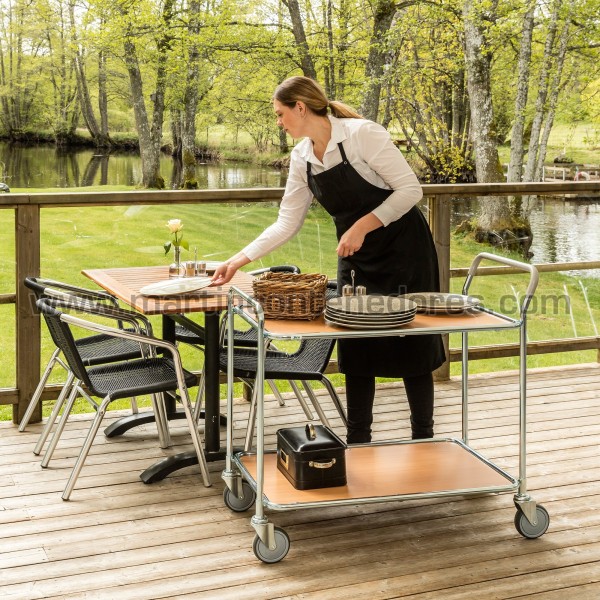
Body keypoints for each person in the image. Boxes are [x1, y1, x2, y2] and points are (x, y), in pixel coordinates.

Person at [212, 76, 445, 443]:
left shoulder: (361, 134)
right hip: (357, 258)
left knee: (410, 343)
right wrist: (237, 260)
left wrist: (362, 226)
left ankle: (424, 438)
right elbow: (287, 221)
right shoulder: (301, 157)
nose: (279, 122)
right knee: (356, 347)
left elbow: (410, 190)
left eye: (280, 114)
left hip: (404, 252)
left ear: (300, 108)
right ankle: (358, 440)